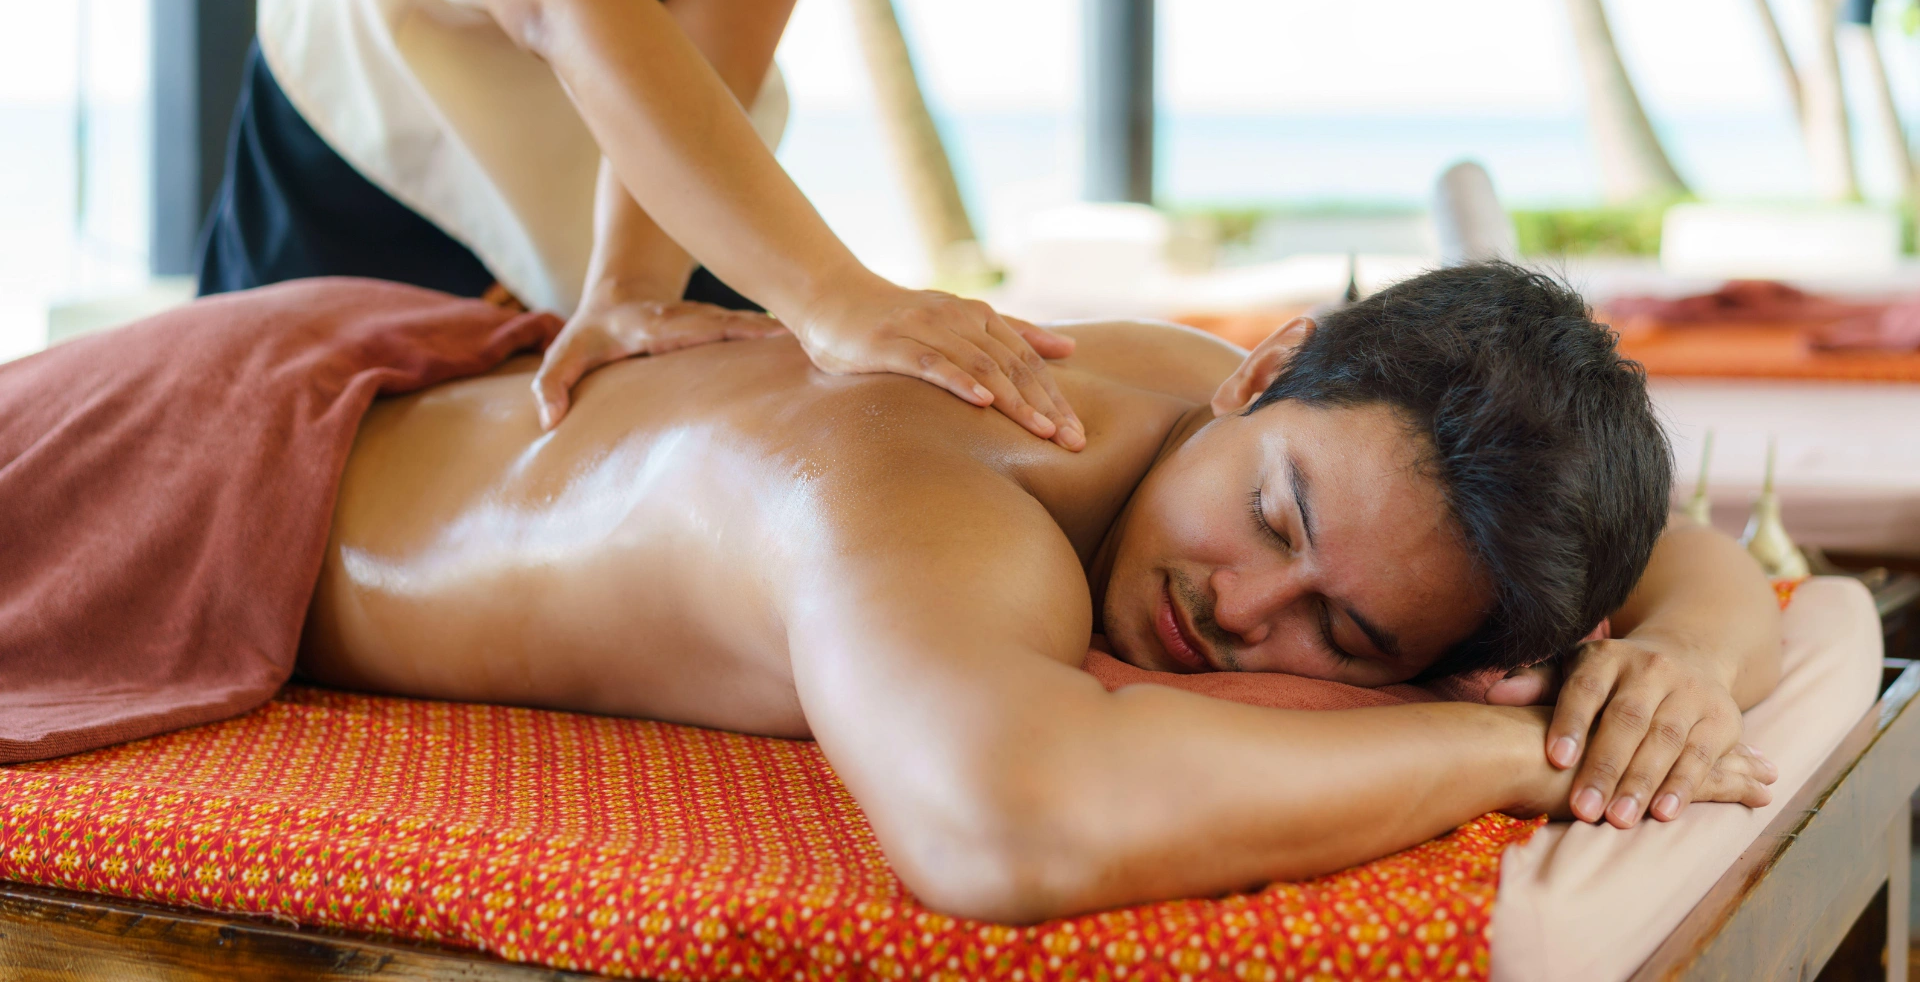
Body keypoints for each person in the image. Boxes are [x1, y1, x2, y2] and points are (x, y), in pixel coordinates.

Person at [299, 263, 1782, 921]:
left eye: (1343, 633)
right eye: (1272, 519)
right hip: (253, 481)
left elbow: (1686, 555)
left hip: (425, 374)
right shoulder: (939, 496)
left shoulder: (1261, 425)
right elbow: (1003, 826)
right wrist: (1521, 752)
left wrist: (1684, 671)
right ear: (1263, 366)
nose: (1244, 611)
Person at [197, 0, 1084, 448]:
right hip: (371, 134)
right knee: (273, 474)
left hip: (661, 138)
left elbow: (719, 31)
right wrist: (828, 293)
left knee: (762, 439)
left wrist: (634, 286)